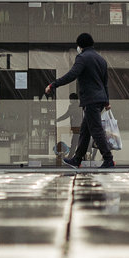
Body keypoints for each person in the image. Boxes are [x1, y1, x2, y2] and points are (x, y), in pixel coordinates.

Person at [45, 32, 114, 169]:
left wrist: (54, 84)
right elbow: (105, 83)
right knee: (85, 130)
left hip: (91, 100)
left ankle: (108, 159)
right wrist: (106, 101)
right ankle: (77, 159)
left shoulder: (82, 57)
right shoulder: (101, 60)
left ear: (80, 45)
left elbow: (72, 74)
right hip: (99, 100)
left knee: (95, 130)